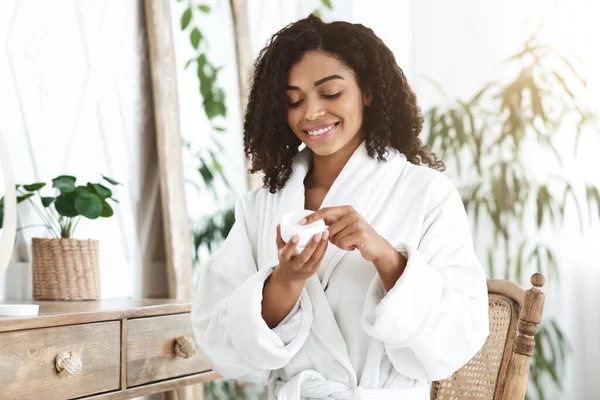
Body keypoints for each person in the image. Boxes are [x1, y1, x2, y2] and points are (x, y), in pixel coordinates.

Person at [191, 14, 489, 400]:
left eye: (330, 93)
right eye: (294, 100)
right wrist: (286, 281)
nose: (311, 113)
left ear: (367, 91)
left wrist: (385, 256)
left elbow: (460, 334)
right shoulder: (260, 206)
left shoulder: (427, 193)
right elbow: (218, 336)